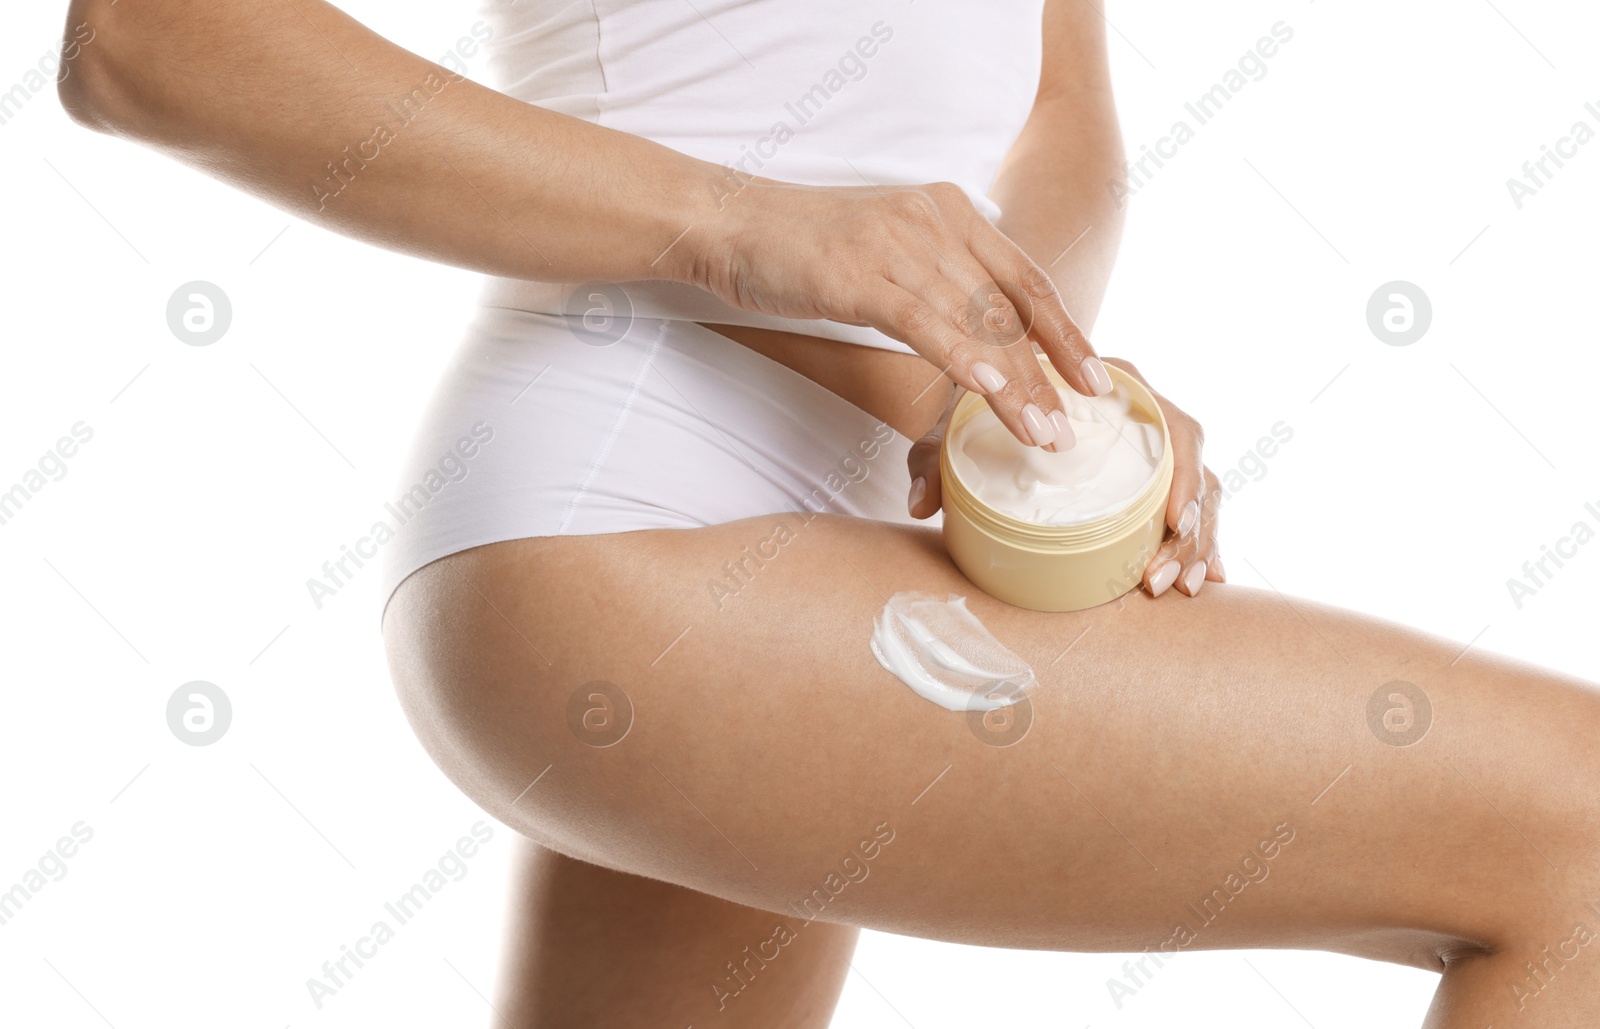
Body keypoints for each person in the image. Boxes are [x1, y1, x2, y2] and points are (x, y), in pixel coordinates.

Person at [60, 0, 1599, 1025]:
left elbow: (1058, 110)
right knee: (1575, 831)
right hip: (619, 510)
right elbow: (145, 38)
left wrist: (1025, 390)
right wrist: (736, 224)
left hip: (840, 534)